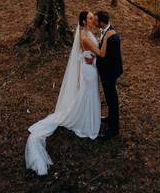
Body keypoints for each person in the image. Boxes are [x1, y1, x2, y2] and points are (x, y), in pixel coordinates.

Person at [24, 10, 113, 175]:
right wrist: (106, 38)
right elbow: (100, 53)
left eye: (93, 17)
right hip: (89, 72)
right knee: (89, 95)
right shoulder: (85, 36)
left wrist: (95, 49)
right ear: (85, 21)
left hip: (90, 66)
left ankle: (89, 117)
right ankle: (85, 122)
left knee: (90, 94)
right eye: (91, 18)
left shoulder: (86, 32)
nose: (93, 19)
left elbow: (91, 53)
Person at [94, 10, 123, 140]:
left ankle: (114, 129)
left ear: (102, 22)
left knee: (112, 99)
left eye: (96, 20)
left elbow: (108, 57)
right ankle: (110, 118)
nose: (94, 22)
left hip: (110, 73)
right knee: (109, 97)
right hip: (107, 71)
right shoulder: (106, 30)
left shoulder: (113, 37)